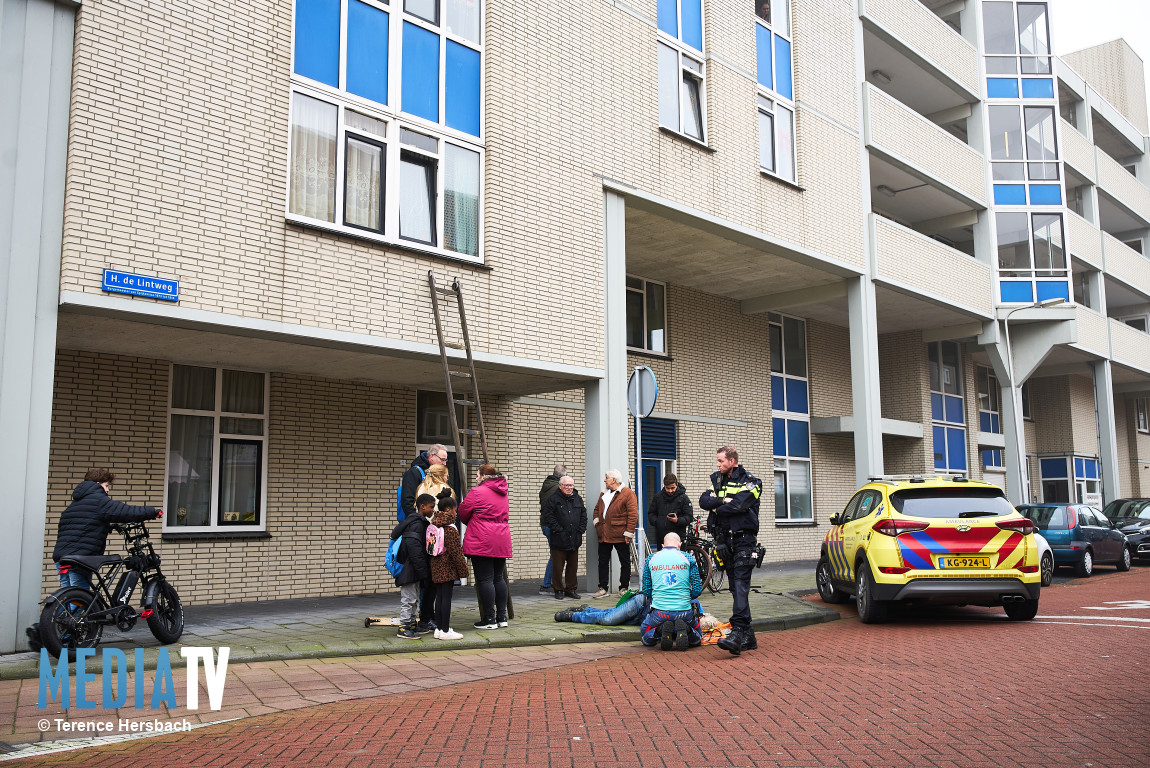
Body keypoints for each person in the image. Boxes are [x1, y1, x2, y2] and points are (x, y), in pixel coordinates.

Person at [699, 445, 763, 656]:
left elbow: (739, 506)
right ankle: (749, 636)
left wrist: (716, 507)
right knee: (736, 589)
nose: (718, 465)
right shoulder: (718, 481)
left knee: (741, 585)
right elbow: (703, 501)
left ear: (732, 461)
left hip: (744, 540)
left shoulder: (752, 482)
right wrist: (720, 501)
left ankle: (736, 632)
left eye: (721, 461)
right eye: (717, 461)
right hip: (725, 541)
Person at [52, 468, 163, 587]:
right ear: (98, 484)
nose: (107, 489)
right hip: (80, 558)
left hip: (62, 557)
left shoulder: (75, 504)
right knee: (79, 595)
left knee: (66, 595)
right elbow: (126, 511)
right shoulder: (99, 501)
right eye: (106, 485)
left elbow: (84, 525)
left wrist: (108, 527)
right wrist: (152, 512)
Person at [458, 463, 512, 629]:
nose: (475, 478)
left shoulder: (477, 492)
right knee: (498, 578)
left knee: (485, 580)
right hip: (501, 538)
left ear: (483, 476)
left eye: (477, 475)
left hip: (481, 540)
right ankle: (502, 617)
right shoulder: (503, 492)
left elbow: (463, 513)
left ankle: (489, 619)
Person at [638, 533, 703, 651]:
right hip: (684, 611)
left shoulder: (651, 558)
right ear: (680, 544)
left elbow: (647, 590)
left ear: (663, 545)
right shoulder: (688, 558)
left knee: (645, 636)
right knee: (698, 637)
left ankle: (660, 630)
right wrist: (686, 598)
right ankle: (687, 630)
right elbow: (697, 588)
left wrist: (659, 597)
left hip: (660, 613)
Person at [393, 494, 436, 639]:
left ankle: (411, 624)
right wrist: (422, 569)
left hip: (413, 568)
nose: (433, 510)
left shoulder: (417, 522)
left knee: (414, 598)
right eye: (431, 507)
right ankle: (404, 627)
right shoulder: (417, 524)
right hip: (411, 568)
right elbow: (414, 548)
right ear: (422, 506)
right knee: (409, 599)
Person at [590, 469, 639, 598]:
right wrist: (597, 523)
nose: (605, 480)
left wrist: (628, 533)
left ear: (614, 480)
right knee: (603, 561)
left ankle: (624, 588)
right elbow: (596, 509)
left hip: (620, 533)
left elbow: (633, 514)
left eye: (607, 478)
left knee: (624, 562)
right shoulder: (604, 493)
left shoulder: (627, 493)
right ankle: (603, 588)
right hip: (604, 534)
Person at [428, 497, 468, 640]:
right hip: (448, 567)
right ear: (448, 509)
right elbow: (456, 553)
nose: (456, 513)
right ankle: (445, 630)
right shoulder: (450, 528)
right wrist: (464, 571)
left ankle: (439, 629)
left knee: (439, 597)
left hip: (436, 566)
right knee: (446, 598)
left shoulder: (434, 524)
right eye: (454, 510)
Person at [541, 475, 587, 600]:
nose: (569, 488)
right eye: (566, 485)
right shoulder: (553, 499)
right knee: (557, 566)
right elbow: (548, 516)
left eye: (571, 485)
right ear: (560, 486)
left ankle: (571, 589)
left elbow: (583, 515)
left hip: (574, 539)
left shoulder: (578, 498)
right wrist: (559, 530)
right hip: (559, 539)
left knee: (573, 567)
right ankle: (558, 589)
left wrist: (580, 530)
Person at [399, 444, 448, 521]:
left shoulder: (435, 474)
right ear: (431, 456)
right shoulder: (414, 473)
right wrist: (416, 522)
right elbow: (407, 501)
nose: (444, 463)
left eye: (445, 460)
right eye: (442, 459)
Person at [538, 464, 566, 594]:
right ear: (562, 476)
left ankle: (549, 583)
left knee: (555, 555)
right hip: (552, 525)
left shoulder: (546, 485)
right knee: (556, 556)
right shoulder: (557, 489)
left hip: (545, 524)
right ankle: (547, 584)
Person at [647, 473, 693, 550]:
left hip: (678, 539)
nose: (670, 491)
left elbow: (689, 517)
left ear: (677, 485)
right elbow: (651, 514)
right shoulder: (658, 497)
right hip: (662, 538)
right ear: (664, 486)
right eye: (667, 488)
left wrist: (677, 520)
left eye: (672, 488)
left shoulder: (684, 498)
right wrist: (658, 522)